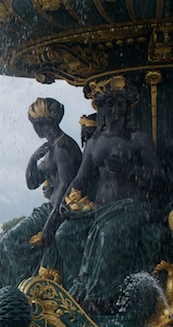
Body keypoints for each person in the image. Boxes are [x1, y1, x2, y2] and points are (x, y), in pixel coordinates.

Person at [43, 76, 164, 311]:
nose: (116, 110)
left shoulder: (138, 139)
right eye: (110, 104)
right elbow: (80, 178)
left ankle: (99, 300)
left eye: (121, 104)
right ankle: (78, 292)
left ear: (128, 108)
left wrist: (130, 170)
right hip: (100, 210)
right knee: (65, 234)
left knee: (107, 234)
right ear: (102, 108)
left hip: (133, 207)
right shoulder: (95, 142)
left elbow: (160, 178)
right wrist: (63, 206)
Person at [0, 97, 83, 287]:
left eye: (33, 124)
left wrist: (50, 223)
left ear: (40, 123)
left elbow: (65, 185)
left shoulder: (62, 147)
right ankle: (19, 291)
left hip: (58, 212)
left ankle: (13, 295)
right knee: (10, 242)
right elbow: (32, 183)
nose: (33, 128)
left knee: (9, 242)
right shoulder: (50, 148)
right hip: (51, 209)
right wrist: (32, 160)